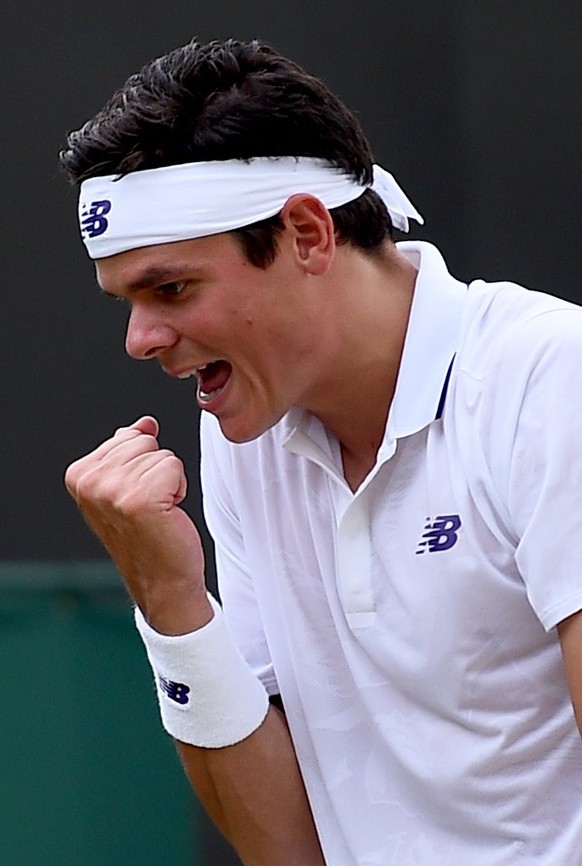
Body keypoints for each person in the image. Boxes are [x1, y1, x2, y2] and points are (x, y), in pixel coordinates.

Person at [61, 38, 582, 866]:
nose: (140, 339)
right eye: (127, 299)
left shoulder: (554, 380)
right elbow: (284, 850)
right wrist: (169, 599)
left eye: (171, 288)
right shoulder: (248, 427)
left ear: (307, 233)